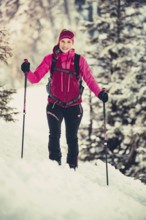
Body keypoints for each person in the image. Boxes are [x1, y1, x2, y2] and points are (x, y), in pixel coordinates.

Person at [21, 29, 108, 169]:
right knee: (54, 134)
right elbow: (35, 78)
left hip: (74, 105)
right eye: (63, 41)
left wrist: (100, 94)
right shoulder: (50, 59)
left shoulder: (79, 60)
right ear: (59, 41)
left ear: (72, 43)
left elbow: (90, 80)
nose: (65, 45)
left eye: (68, 42)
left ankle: (72, 167)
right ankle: (55, 165)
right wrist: (27, 71)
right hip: (55, 104)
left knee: (71, 137)